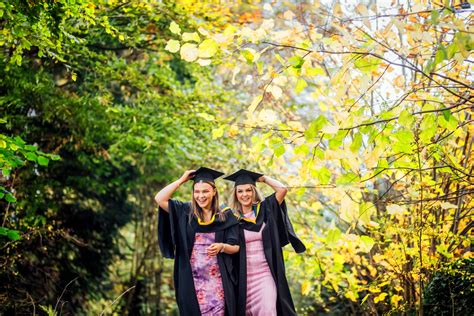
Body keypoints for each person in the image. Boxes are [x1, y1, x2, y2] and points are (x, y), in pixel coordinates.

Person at [155, 167, 240, 316]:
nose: (201, 196)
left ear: (214, 191)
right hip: (190, 280)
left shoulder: (225, 215)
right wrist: (181, 180)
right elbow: (159, 198)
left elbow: (236, 247)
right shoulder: (185, 211)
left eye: (205, 191)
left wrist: (222, 246)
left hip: (218, 282)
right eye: (197, 192)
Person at [224, 169, 306, 316]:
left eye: (248, 190)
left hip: (265, 274)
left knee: (268, 310)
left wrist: (264, 178)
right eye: (240, 191)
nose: (244, 195)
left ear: (254, 191)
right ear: (235, 194)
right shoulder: (231, 218)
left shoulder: (265, 209)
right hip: (243, 276)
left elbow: (282, 189)